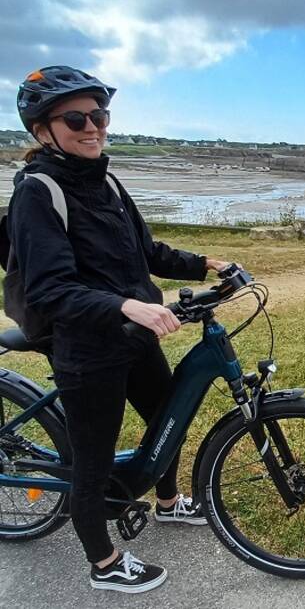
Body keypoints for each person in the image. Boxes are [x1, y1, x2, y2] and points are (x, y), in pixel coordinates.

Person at [9, 66, 230, 593]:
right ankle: (104, 563)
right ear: (43, 130)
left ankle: (170, 503)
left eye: (100, 115)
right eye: (77, 118)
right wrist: (128, 306)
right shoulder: (38, 194)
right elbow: (50, 288)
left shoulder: (106, 179)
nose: (93, 127)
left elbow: (146, 253)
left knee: (165, 423)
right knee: (94, 460)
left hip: (130, 340)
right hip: (85, 348)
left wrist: (208, 264)